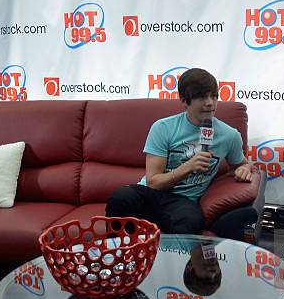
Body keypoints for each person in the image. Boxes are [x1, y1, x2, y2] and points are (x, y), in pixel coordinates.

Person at [105, 68, 252, 234]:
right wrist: (188, 167)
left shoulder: (229, 135)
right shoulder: (163, 127)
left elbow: (242, 164)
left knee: (191, 221)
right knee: (121, 197)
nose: (210, 103)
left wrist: (244, 169)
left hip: (184, 201)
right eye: (202, 97)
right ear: (184, 100)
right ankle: (120, 254)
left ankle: (171, 257)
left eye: (214, 96)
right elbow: (154, 182)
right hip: (152, 193)